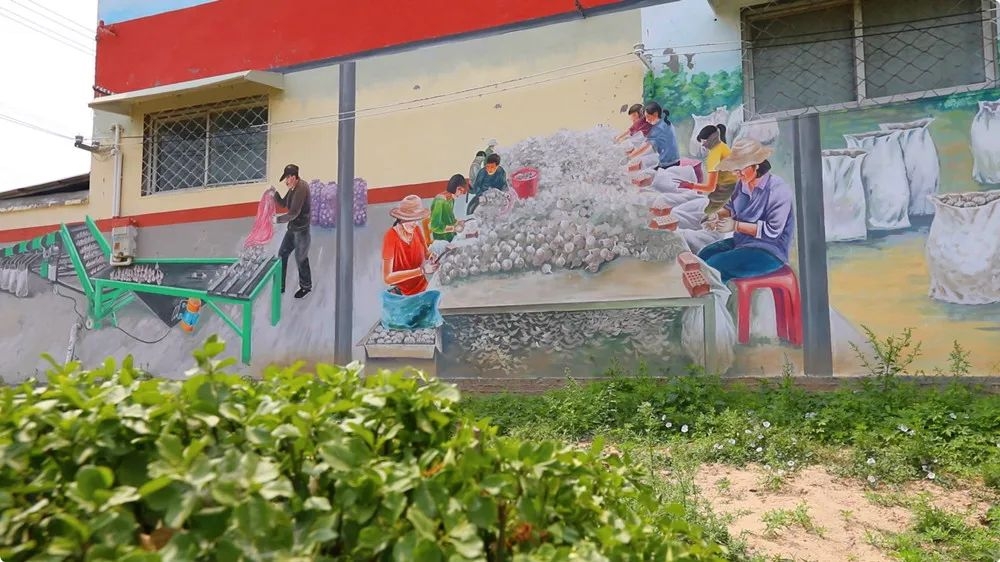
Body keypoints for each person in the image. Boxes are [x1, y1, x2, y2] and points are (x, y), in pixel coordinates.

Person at [697, 138, 795, 284]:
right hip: (742, 242)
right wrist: (716, 216)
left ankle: (715, 298)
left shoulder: (778, 190)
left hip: (770, 252)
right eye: (735, 169)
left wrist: (735, 226)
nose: (736, 173)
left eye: (740, 168)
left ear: (756, 166)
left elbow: (772, 231)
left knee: (714, 266)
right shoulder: (743, 184)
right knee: (703, 256)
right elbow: (731, 208)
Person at [380, 195, 443, 330]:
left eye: (417, 219)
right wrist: (421, 271)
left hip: (424, 291)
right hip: (403, 298)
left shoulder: (417, 230)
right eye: (410, 219)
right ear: (401, 218)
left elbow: (426, 253)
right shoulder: (391, 237)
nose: (414, 223)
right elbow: (387, 277)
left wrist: (432, 256)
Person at [679, 124, 740, 216]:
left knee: (700, 214)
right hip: (733, 186)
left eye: (704, 141)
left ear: (712, 139)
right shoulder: (722, 146)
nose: (702, 144)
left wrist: (690, 185)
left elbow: (710, 187)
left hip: (724, 191)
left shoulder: (714, 155)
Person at [271, 164, 312, 299]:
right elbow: (284, 203)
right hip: (293, 228)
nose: (286, 182)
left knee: (301, 258)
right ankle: (280, 286)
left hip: (301, 230)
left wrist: (277, 220)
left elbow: (293, 213)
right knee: (282, 254)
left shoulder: (301, 189)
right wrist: (274, 193)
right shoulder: (293, 188)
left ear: (293, 177)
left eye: (287, 178)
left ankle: (306, 287)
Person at [626, 101, 681, 188]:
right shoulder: (666, 123)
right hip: (674, 160)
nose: (646, 120)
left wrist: (629, 157)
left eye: (648, 117)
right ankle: (626, 171)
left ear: (655, 114)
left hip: (667, 164)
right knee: (644, 164)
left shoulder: (657, 129)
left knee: (640, 182)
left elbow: (645, 147)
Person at [429, 174, 469, 242]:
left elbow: (449, 218)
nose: (461, 193)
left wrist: (458, 222)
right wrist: (453, 228)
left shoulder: (451, 199)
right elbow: (435, 227)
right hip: (442, 240)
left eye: (462, 191)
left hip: (451, 236)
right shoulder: (440, 201)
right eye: (460, 190)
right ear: (453, 187)